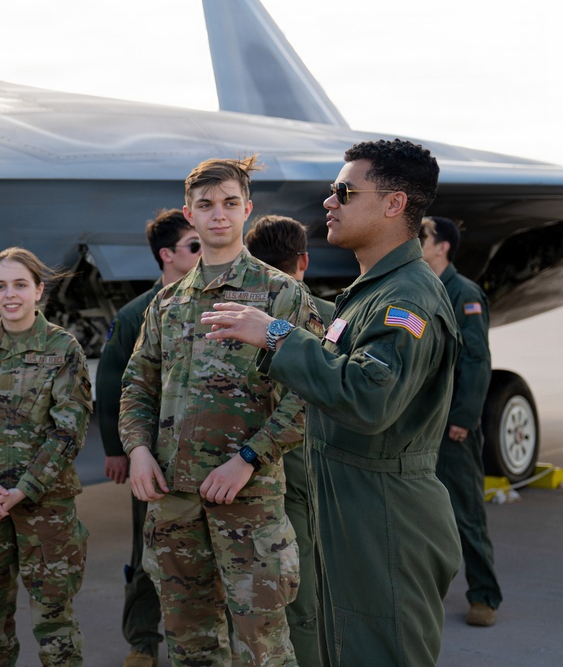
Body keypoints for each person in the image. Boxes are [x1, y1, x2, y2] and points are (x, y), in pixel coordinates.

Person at [200, 139, 462, 666]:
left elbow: (369, 398)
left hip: (385, 514)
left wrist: (276, 334)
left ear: (394, 204)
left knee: (381, 651)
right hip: (349, 505)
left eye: (344, 191)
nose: (329, 201)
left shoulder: (405, 301)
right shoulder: (370, 291)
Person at [120, 157, 323, 667]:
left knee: (264, 649)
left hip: (248, 503)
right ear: (189, 213)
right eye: (206, 205)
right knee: (191, 647)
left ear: (247, 210)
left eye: (230, 203)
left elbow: (310, 393)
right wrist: (139, 451)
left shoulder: (281, 295)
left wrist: (249, 458)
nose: (218, 215)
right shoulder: (166, 303)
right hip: (172, 502)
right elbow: (137, 386)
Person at [0, 247, 93, 667]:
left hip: (45, 507)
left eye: (19, 285)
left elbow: (69, 431)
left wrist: (23, 489)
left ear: (38, 291)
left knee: (55, 626)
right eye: (0, 286)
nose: (10, 295)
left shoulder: (63, 349)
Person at [96, 209, 200, 667]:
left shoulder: (216, 305)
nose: (203, 252)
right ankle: (142, 642)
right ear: (167, 255)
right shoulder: (136, 314)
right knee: (148, 554)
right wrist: (118, 450)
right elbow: (112, 385)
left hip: (207, 460)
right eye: (193, 246)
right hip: (153, 459)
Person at [244, 214, 328, 667]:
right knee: (304, 602)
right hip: (304, 476)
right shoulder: (330, 317)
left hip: (243, 478)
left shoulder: (226, 316)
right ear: (304, 261)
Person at [420, 215, 503, 627]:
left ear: (443, 247)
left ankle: (484, 596)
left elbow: (476, 361)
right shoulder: (422, 288)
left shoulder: (464, 294)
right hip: (422, 425)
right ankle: (426, 594)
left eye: (423, 235)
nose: (417, 240)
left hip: (452, 425)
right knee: (422, 514)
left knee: (466, 512)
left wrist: (464, 418)